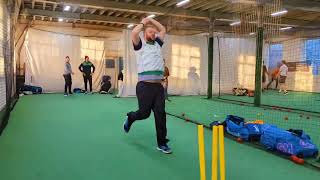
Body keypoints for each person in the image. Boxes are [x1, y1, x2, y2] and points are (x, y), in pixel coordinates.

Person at [123, 17, 172, 154]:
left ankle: (161, 143)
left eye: (154, 33)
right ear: (144, 34)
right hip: (144, 86)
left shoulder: (157, 44)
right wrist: (144, 22)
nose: (154, 34)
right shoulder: (140, 45)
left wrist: (152, 20)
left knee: (160, 114)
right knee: (144, 114)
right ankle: (131, 117)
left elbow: (163, 29)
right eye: (151, 32)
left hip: (158, 87)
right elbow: (133, 33)